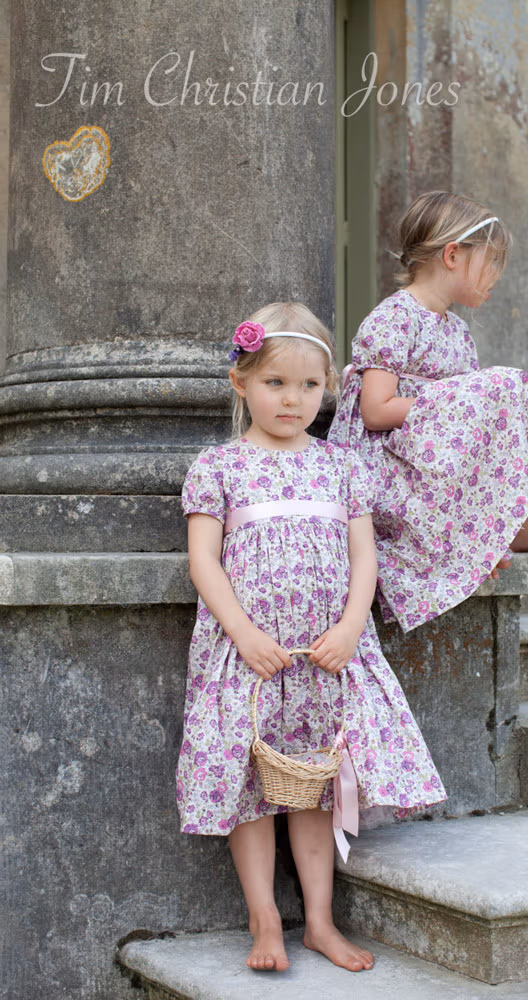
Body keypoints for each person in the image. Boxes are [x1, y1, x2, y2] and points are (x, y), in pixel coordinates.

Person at [176, 301, 446, 974]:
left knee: (316, 787)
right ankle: (265, 920)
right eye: (275, 383)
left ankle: (320, 922)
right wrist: (243, 633)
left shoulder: (342, 466)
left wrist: (352, 628)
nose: (292, 399)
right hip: (250, 658)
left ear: (328, 389)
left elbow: (364, 559)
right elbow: (204, 561)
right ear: (241, 382)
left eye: (308, 386)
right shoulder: (220, 467)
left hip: (328, 657)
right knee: (251, 789)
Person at [328, 191, 528, 632]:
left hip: (432, 464)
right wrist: (455, 405)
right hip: (387, 466)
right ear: (453, 255)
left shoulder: (458, 332)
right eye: (491, 260)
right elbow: (375, 410)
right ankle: (503, 528)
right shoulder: (394, 318)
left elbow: (475, 432)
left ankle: (508, 522)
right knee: (496, 390)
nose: (498, 273)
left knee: (526, 393)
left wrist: (473, 406)